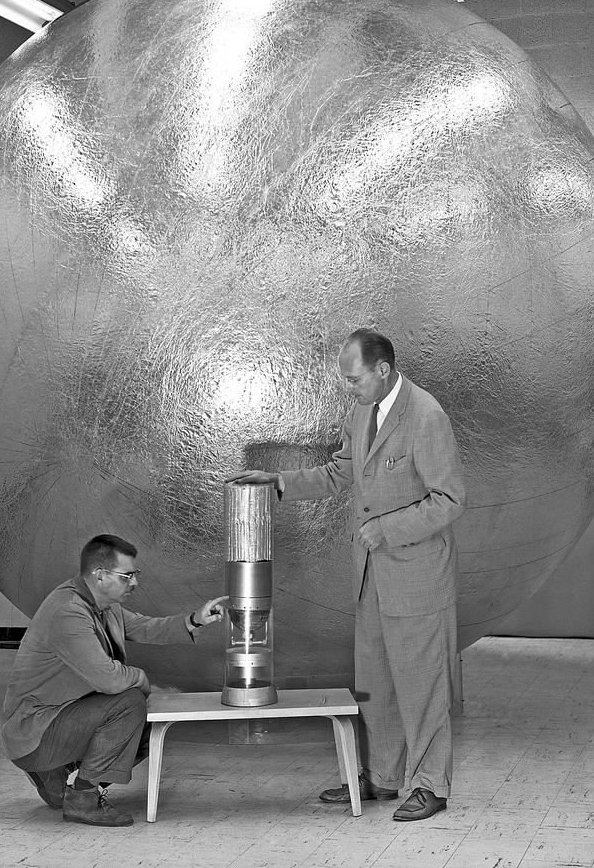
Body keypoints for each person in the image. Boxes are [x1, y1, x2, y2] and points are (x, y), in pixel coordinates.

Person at [228, 328, 465, 822]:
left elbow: (449, 500)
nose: (347, 387)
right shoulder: (362, 412)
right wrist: (278, 482)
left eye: (354, 378)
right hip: (371, 577)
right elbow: (341, 472)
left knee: (422, 684)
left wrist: (386, 528)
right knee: (376, 682)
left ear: (383, 370)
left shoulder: (427, 416)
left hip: (417, 577)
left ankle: (431, 785)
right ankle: (381, 777)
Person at [0, 533, 227, 827]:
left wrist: (194, 619)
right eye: (127, 576)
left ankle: (53, 773)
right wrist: (143, 680)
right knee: (131, 703)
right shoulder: (67, 611)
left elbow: (143, 627)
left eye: (136, 574)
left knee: (153, 714)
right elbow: (109, 680)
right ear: (100, 575)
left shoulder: (103, 603)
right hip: (34, 730)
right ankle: (83, 798)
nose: (135, 582)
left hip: (60, 716)